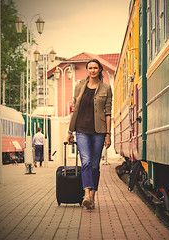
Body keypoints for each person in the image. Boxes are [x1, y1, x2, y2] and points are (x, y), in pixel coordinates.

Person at [67, 59, 112, 210]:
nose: (93, 70)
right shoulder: (79, 86)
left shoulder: (106, 88)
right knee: (85, 162)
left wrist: (108, 134)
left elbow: (108, 113)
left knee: (94, 165)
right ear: (87, 70)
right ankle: (86, 194)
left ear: (100, 70)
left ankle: (92, 197)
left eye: (95, 68)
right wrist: (70, 131)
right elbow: (75, 109)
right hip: (81, 130)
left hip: (99, 131)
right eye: (90, 68)